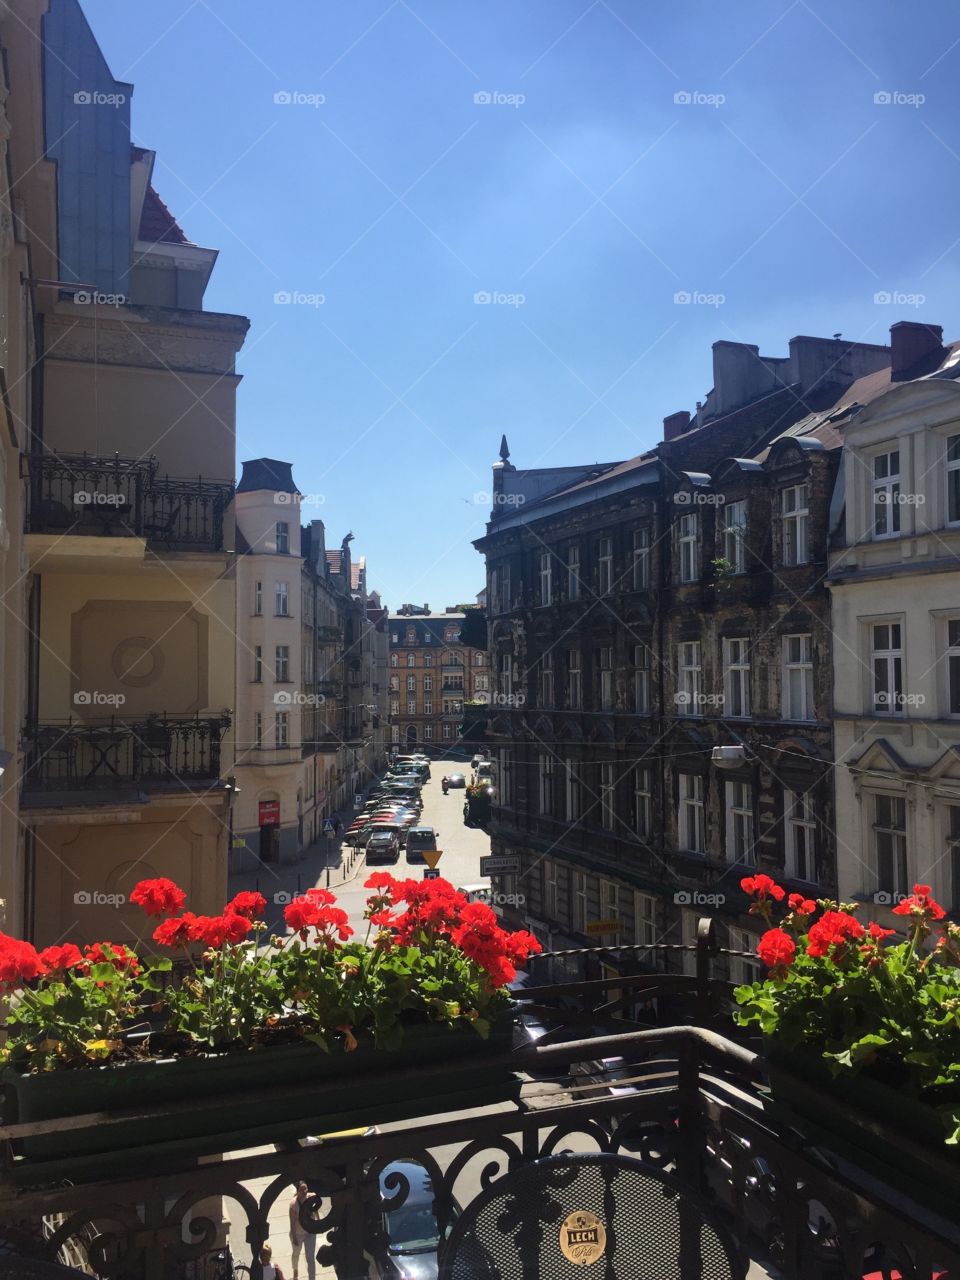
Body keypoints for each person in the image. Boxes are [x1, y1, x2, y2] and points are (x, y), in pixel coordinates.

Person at [289, 1182, 317, 1280]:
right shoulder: (293, 1205)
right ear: (297, 1191)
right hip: (298, 1233)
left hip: (310, 1232)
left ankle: (312, 1278)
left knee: (310, 1258)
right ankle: (295, 1271)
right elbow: (292, 1223)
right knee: (296, 1254)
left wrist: (318, 1221)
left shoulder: (311, 1197)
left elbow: (315, 1208)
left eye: (306, 1189)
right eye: (302, 1190)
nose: (305, 1191)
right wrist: (294, 1238)